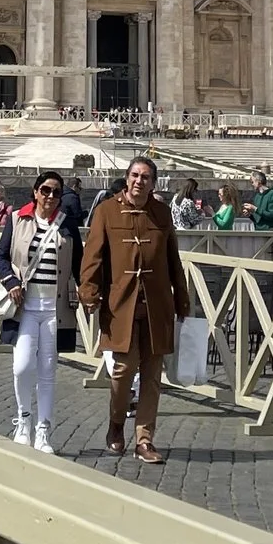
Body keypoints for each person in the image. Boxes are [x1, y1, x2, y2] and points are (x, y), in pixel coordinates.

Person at [78, 155, 189, 463]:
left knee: (153, 375)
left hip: (156, 305)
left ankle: (144, 439)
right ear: (126, 179)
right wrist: (89, 292)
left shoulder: (162, 214)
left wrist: (182, 297)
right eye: (135, 175)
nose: (140, 181)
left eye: (146, 177)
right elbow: (93, 258)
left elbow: (172, 260)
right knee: (123, 370)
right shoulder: (105, 212)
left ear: (153, 183)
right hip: (121, 303)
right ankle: (116, 423)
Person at [0, 171, 81, 453]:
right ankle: (23, 419)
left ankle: (43, 429)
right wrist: (10, 282)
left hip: (55, 310)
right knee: (21, 368)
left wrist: (90, 291)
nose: (51, 197)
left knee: (47, 371)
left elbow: (80, 264)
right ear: (35, 192)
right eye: (45, 190)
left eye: (57, 192)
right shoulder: (18, 218)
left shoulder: (67, 224)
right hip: (26, 308)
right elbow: (1, 257)